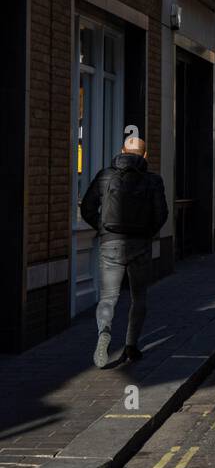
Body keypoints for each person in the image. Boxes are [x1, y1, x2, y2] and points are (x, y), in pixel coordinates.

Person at [81, 135, 168, 369]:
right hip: (140, 245)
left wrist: (102, 228)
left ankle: (104, 335)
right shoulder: (153, 180)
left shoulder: (105, 176)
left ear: (121, 151)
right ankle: (131, 345)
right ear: (145, 155)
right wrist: (147, 233)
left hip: (110, 243)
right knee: (139, 296)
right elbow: (162, 214)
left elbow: (87, 207)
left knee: (109, 296)